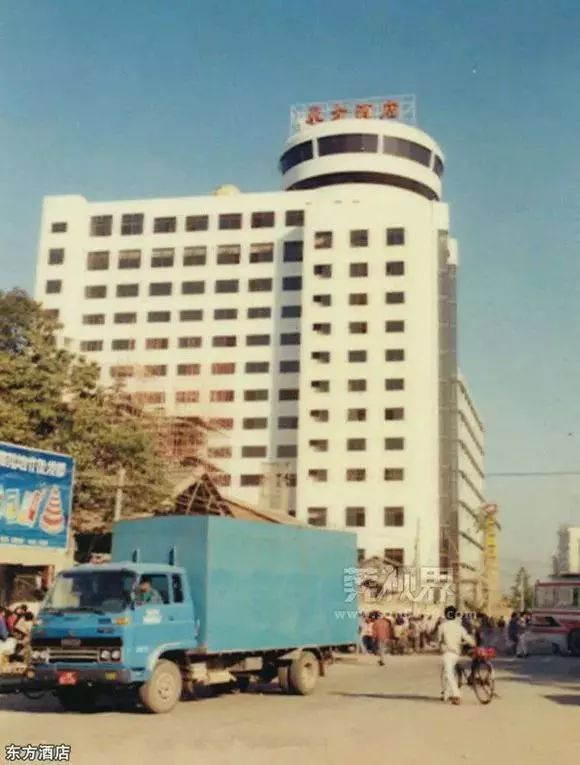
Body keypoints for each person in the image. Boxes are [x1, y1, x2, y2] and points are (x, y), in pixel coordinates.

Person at [438, 605, 476, 705]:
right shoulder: (459, 627)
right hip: (456, 653)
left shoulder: (442, 627)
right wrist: (473, 644)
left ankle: (456, 695)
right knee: (448, 672)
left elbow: (439, 640)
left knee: (448, 673)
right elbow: (468, 639)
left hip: (447, 653)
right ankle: (446, 694)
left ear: (446, 615)